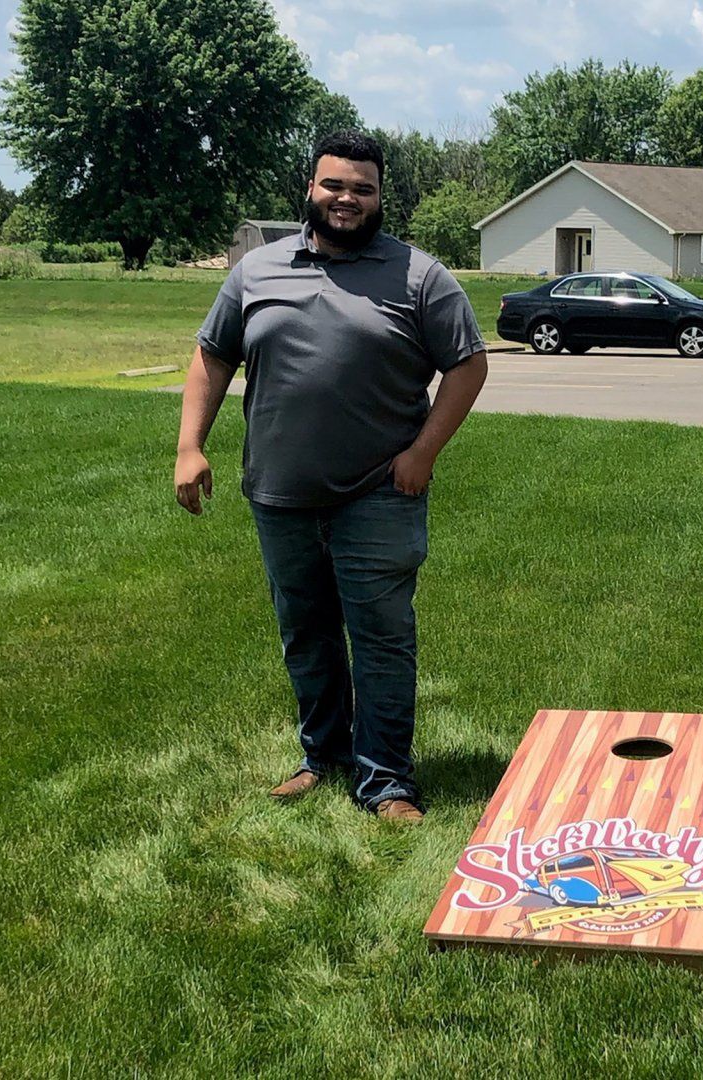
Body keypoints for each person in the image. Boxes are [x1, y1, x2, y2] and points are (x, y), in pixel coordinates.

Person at [174, 130, 489, 824]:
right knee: (306, 632)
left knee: (380, 636)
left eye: (363, 189)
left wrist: (424, 453)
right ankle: (323, 757)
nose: (347, 199)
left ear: (381, 197)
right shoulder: (256, 271)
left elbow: (468, 364)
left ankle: (387, 782)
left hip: (380, 492)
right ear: (310, 190)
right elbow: (212, 355)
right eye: (334, 185)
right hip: (280, 494)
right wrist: (189, 446)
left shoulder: (419, 276)